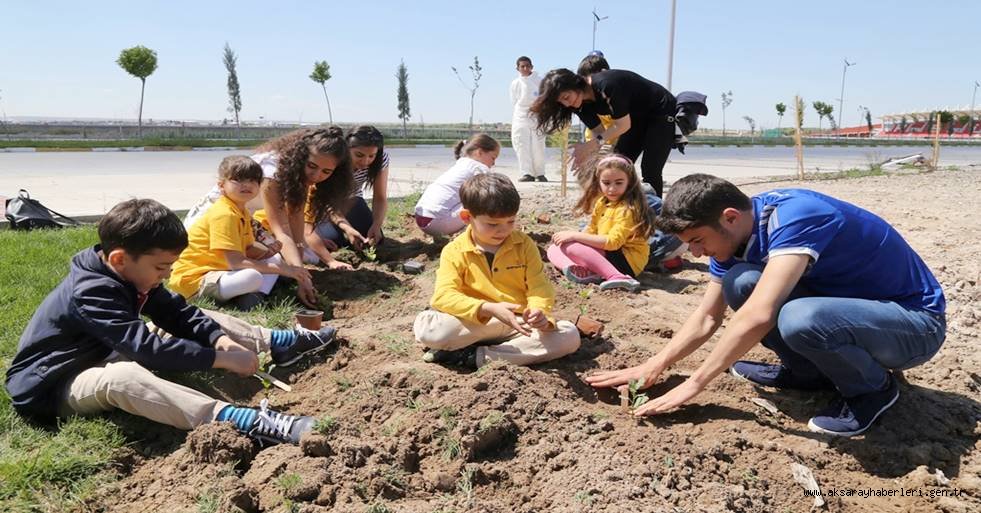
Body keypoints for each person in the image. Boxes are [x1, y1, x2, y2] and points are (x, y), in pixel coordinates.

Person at [586, 175, 946, 437]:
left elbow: (759, 315)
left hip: (913, 325)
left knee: (799, 318)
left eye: (697, 241)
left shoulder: (797, 216)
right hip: (851, 315)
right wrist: (655, 363)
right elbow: (708, 316)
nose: (695, 253)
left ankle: (872, 389)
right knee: (740, 282)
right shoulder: (736, 232)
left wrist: (695, 383)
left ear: (729, 217)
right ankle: (808, 374)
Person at [4, 199, 339, 445]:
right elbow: (147, 350)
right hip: (56, 383)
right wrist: (220, 359)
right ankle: (240, 420)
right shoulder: (91, 292)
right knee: (122, 377)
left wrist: (218, 341)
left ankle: (279, 343)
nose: (165, 275)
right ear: (120, 258)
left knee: (198, 315)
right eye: (161, 267)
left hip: (100, 349)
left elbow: (177, 313)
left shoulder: (128, 274)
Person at [413, 173, 581, 368]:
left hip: (517, 322)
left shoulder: (524, 244)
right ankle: (494, 350)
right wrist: (487, 308)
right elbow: (444, 295)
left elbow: (539, 286)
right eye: (492, 224)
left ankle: (473, 357)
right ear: (467, 217)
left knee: (569, 335)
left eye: (510, 222)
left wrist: (539, 312)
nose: (503, 230)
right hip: (476, 322)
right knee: (429, 329)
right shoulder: (454, 250)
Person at [184, 127, 355, 307]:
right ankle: (243, 292)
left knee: (276, 253)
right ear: (300, 156)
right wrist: (300, 275)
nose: (316, 175)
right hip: (212, 228)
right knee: (275, 258)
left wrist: (299, 271)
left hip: (243, 226)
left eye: (326, 172)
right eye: (312, 166)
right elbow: (282, 230)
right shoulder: (273, 171)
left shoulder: (300, 176)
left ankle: (254, 295)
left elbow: (296, 231)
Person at [167, 156, 312, 311]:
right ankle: (247, 297)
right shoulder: (225, 214)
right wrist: (284, 270)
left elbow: (247, 250)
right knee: (253, 276)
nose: (247, 185)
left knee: (274, 258)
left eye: (253, 180)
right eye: (238, 179)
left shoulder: (240, 211)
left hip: (221, 270)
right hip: (197, 279)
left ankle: (253, 297)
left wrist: (268, 253)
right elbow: (236, 262)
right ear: (221, 185)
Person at [530, 68, 676, 197]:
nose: (567, 104)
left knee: (650, 169)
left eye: (566, 97)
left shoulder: (607, 85)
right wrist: (589, 156)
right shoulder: (579, 105)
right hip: (635, 119)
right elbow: (600, 132)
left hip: (661, 112)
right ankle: (622, 207)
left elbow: (622, 125)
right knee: (619, 163)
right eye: (562, 102)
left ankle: (655, 215)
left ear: (575, 84)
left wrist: (592, 144)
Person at [547, 154, 650, 291]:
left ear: (629, 182)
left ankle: (617, 276)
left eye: (619, 183)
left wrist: (575, 236)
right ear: (598, 182)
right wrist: (577, 240)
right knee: (555, 247)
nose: (612, 189)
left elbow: (613, 243)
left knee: (571, 245)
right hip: (607, 252)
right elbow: (592, 229)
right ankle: (583, 271)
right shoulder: (602, 202)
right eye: (606, 183)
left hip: (627, 260)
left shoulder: (627, 209)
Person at [306, 126, 390, 257]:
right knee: (334, 240)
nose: (365, 161)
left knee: (373, 239)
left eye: (371, 156)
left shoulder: (381, 159)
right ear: (347, 148)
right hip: (322, 204)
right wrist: (347, 228)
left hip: (352, 200)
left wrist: (376, 225)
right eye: (359, 155)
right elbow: (327, 200)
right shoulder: (335, 159)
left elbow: (380, 197)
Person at [413, 133, 500, 237]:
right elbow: (493, 192)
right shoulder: (478, 168)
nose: (493, 163)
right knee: (485, 199)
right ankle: (479, 236)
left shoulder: (461, 163)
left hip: (421, 218)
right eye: (493, 158)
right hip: (439, 222)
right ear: (479, 152)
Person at [510, 56, 547, 183]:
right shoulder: (515, 83)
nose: (525, 68)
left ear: (532, 66)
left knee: (538, 145)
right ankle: (527, 173)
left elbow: (545, 97)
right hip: (521, 116)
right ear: (518, 68)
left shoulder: (540, 81)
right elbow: (514, 101)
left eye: (527, 66)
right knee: (521, 144)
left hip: (537, 116)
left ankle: (540, 173)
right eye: (522, 66)